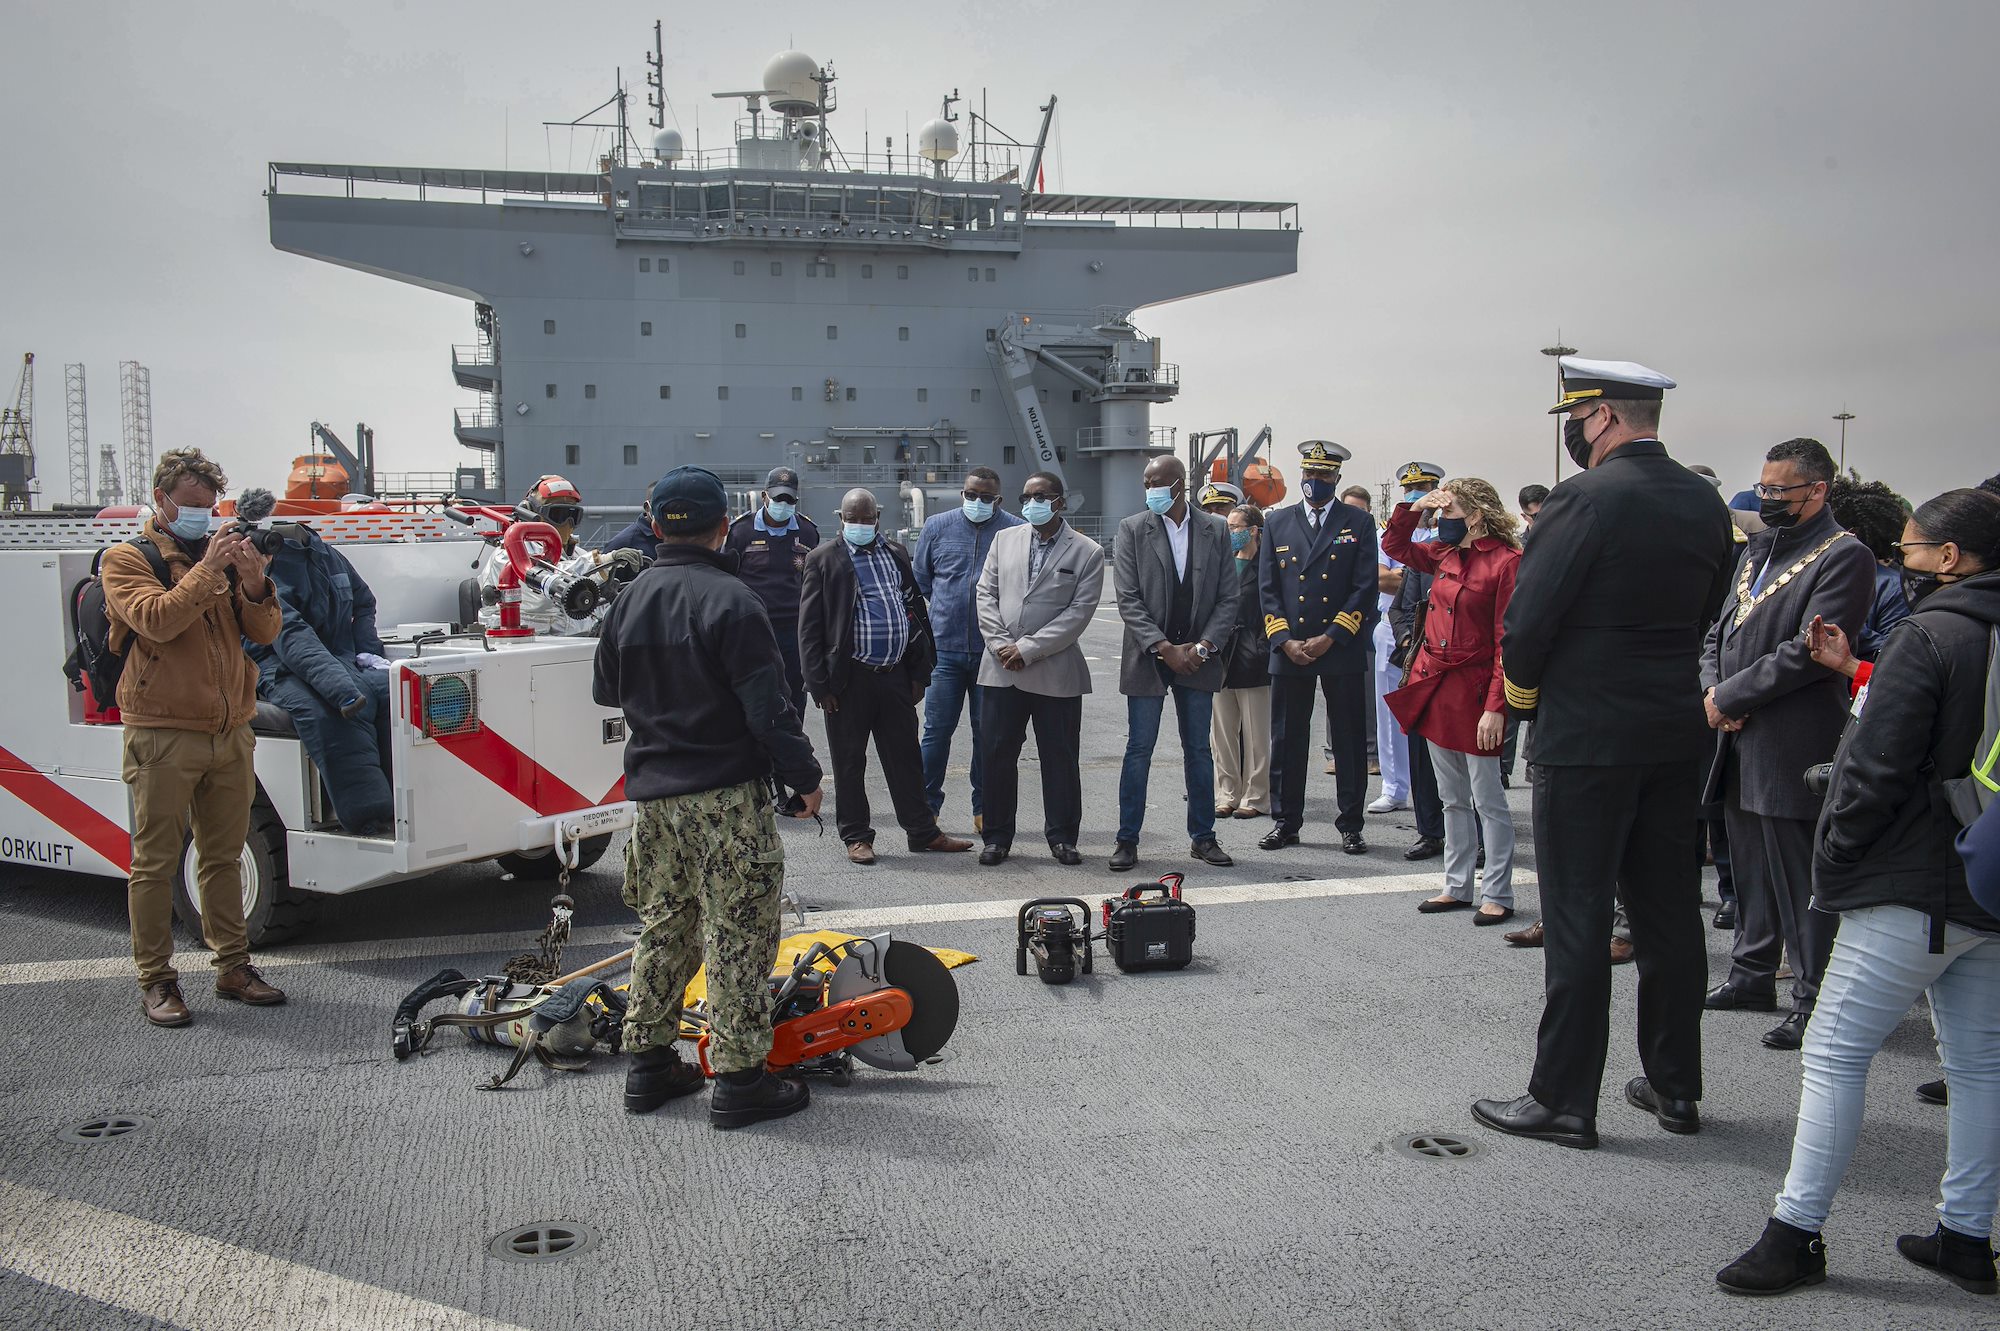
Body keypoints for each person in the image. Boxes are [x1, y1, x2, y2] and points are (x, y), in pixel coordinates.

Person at [1717, 487, 2000, 1296]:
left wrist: (1836, 854)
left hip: (1911, 879)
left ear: (1949, 559)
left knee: (1835, 1051)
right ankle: (1965, 1235)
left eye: (1908, 550)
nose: (1898, 563)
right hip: (1989, 873)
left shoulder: (1930, 633)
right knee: (1981, 1065)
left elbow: (1873, 768)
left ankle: (1795, 1231)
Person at [1471, 357, 1734, 1150]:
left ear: (1605, 418)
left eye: (1578, 421)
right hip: (1672, 731)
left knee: (1579, 916)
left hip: (1586, 737)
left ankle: (1562, 1099)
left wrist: (1521, 700)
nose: (1576, 436)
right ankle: (1675, 1085)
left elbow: (1526, 624)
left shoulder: (1581, 499)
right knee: (1667, 917)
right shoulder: (1703, 499)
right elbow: (1709, 610)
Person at [592, 465, 824, 1128]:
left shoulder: (629, 601)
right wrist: (805, 777)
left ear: (657, 524)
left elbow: (606, 691)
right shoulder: (733, 601)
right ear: (725, 526)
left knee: (665, 928)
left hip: (657, 801)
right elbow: (769, 711)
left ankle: (649, 1065)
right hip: (725, 796)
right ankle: (740, 1079)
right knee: (739, 934)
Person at [1700, 438, 1876, 1051]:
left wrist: (1731, 698)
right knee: (1748, 866)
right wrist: (1712, 691)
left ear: (1817, 490)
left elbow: (1807, 653)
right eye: (1765, 488)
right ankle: (1751, 974)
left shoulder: (1843, 555)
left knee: (1799, 877)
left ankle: (1812, 996)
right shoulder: (1759, 550)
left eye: (1781, 491)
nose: (1769, 499)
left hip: (1792, 738)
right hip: (1737, 733)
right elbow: (1719, 634)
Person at [102, 448, 287, 1026]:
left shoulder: (219, 558)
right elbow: (157, 619)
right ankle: (156, 980)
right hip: (162, 732)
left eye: (211, 508)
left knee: (224, 855)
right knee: (155, 862)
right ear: (161, 501)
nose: (204, 518)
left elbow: (263, 631)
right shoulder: (125, 559)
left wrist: (256, 585)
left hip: (229, 729)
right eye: (192, 507)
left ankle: (233, 966)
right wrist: (211, 568)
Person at [799, 490, 971, 865]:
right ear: (840, 518)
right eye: (852, 519)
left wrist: (919, 671)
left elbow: (914, 609)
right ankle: (857, 836)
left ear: (876, 517)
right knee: (849, 762)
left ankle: (923, 832)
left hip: (894, 675)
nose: (859, 525)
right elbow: (810, 629)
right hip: (849, 680)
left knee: (906, 758)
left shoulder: (895, 553)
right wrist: (820, 685)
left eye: (865, 519)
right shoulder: (822, 559)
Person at [1383, 479, 1523, 925]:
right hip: (1436, 682)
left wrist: (1496, 707)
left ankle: (1497, 890)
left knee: (1488, 797)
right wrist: (1416, 505)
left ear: (1477, 515)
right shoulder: (1443, 553)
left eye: (1451, 510)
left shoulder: (1506, 562)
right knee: (1451, 797)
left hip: (1477, 689)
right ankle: (1456, 884)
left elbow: (1508, 640)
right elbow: (1395, 543)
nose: (1443, 519)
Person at [1110, 455, 1239, 870]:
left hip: (1198, 657)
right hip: (1151, 655)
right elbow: (1128, 599)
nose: (1150, 490)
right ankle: (1127, 839)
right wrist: (1165, 648)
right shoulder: (1132, 529)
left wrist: (1202, 648)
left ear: (1180, 485)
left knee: (1198, 750)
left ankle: (1203, 836)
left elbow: (1227, 597)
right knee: (1139, 749)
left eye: (1158, 482)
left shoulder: (1215, 528)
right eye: (1146, 482)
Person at [241, 489, 395, 835]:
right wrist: (338, 687)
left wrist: (366, 652)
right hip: (276, 667)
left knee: (394, 697)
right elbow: (287, 632)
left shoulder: (326, 555)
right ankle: (368, 816)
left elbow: (363, 601)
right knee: (326, 714)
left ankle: (404, 804)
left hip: (338, 659)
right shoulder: (264, 564)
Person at [974, 471, 1106, 865]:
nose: (1032, 502)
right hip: (1001, 670)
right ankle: (997, 837)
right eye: (1026, 496)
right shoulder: (1004, 539)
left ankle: (1063, 837)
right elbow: (986, 593)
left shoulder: (1087, 551)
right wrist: (1000, 644)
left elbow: (1078, 613)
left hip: (1054, 672)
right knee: (996, 755)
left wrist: (1028, 649)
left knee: (1059, 757)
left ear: (1059, 502)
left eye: (1041, 496)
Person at [1258, 440, 1379, 854]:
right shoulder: (1278, 521)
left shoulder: (1358, 523)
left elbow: (1364, 588)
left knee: (1347, 740)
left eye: (1323, 475)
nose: (1314, 482)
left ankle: (1350, 824)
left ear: (1337, 478)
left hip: (1339, 645)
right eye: (1308, 474)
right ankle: (1285, 822)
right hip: (1291, 647)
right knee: (1287, 740)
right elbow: (1267, 588)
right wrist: (1283, 639)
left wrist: (1331, 636)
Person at [912, 467, 1022, 836]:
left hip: (993, 653)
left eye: (986, 497)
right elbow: (922, 579)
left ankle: (985, 811)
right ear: (963, 493)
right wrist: (948, 609)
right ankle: (926, 809)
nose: (977, 502)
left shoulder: (1015, 530)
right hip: (944, 651)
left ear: (999, 500)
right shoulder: (937, 527)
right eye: (971, 495)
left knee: (986, 735)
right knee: (935, 732)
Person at [1386, 461, 1449, 859]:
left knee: (1466, 762)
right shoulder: (1427, 555)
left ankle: (1475, 835)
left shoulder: (1489, 557)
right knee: (1422, 755)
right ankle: (1430, 831)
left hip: (1463, 671)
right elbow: (1400, 609)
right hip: (1422, 666)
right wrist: (1411, 639)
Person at [725, 466, 820, 717]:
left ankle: (792, 746)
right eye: (778, 498)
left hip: (793, 629)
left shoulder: (808, 532)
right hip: (753, 627)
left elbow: (813, 582)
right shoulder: (741, 531)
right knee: (752, 691)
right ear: (765, 496)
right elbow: (727, 579)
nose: (783, 504)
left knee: (794, 694)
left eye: (789, 499)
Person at [478, 475, 615, 637]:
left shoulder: (579, 555)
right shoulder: (508, 555)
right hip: (527, 645)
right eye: (558, 514)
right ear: (530, 513)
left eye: (573, 515)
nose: (567, 523)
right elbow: (542, 589)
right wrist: (599, 564)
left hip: (579, 646)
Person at [1214, 504, 1272, 819]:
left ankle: (1256, 795)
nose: (1230, 532)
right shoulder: (1223, 565)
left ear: (1252, 531)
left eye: (1235, 527)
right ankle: (1226, 793)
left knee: (1256, 732)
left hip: (1253, 653)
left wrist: (1263, 646)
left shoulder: (1267, 565)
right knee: (1222, 732)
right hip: (1222, 655)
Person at [1827, 475, 1912, 661]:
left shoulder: (1892, 587)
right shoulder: (1822, 574)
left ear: (1851, 533)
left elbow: (1894, 656)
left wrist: (1844, 622)